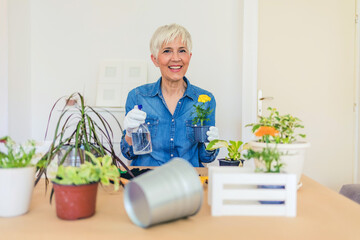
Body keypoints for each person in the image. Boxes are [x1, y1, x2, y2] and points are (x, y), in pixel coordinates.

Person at [120, 23, 219, 167]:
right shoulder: (137, 97)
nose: (176, 58)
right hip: (148, 180)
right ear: (155, 59)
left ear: (189, 57)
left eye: (182, 51)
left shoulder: (205, 99)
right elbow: (128, 153)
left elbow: (206, 158)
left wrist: (211, 144)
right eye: (167, 51)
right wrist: (129, 134)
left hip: (188, 182)